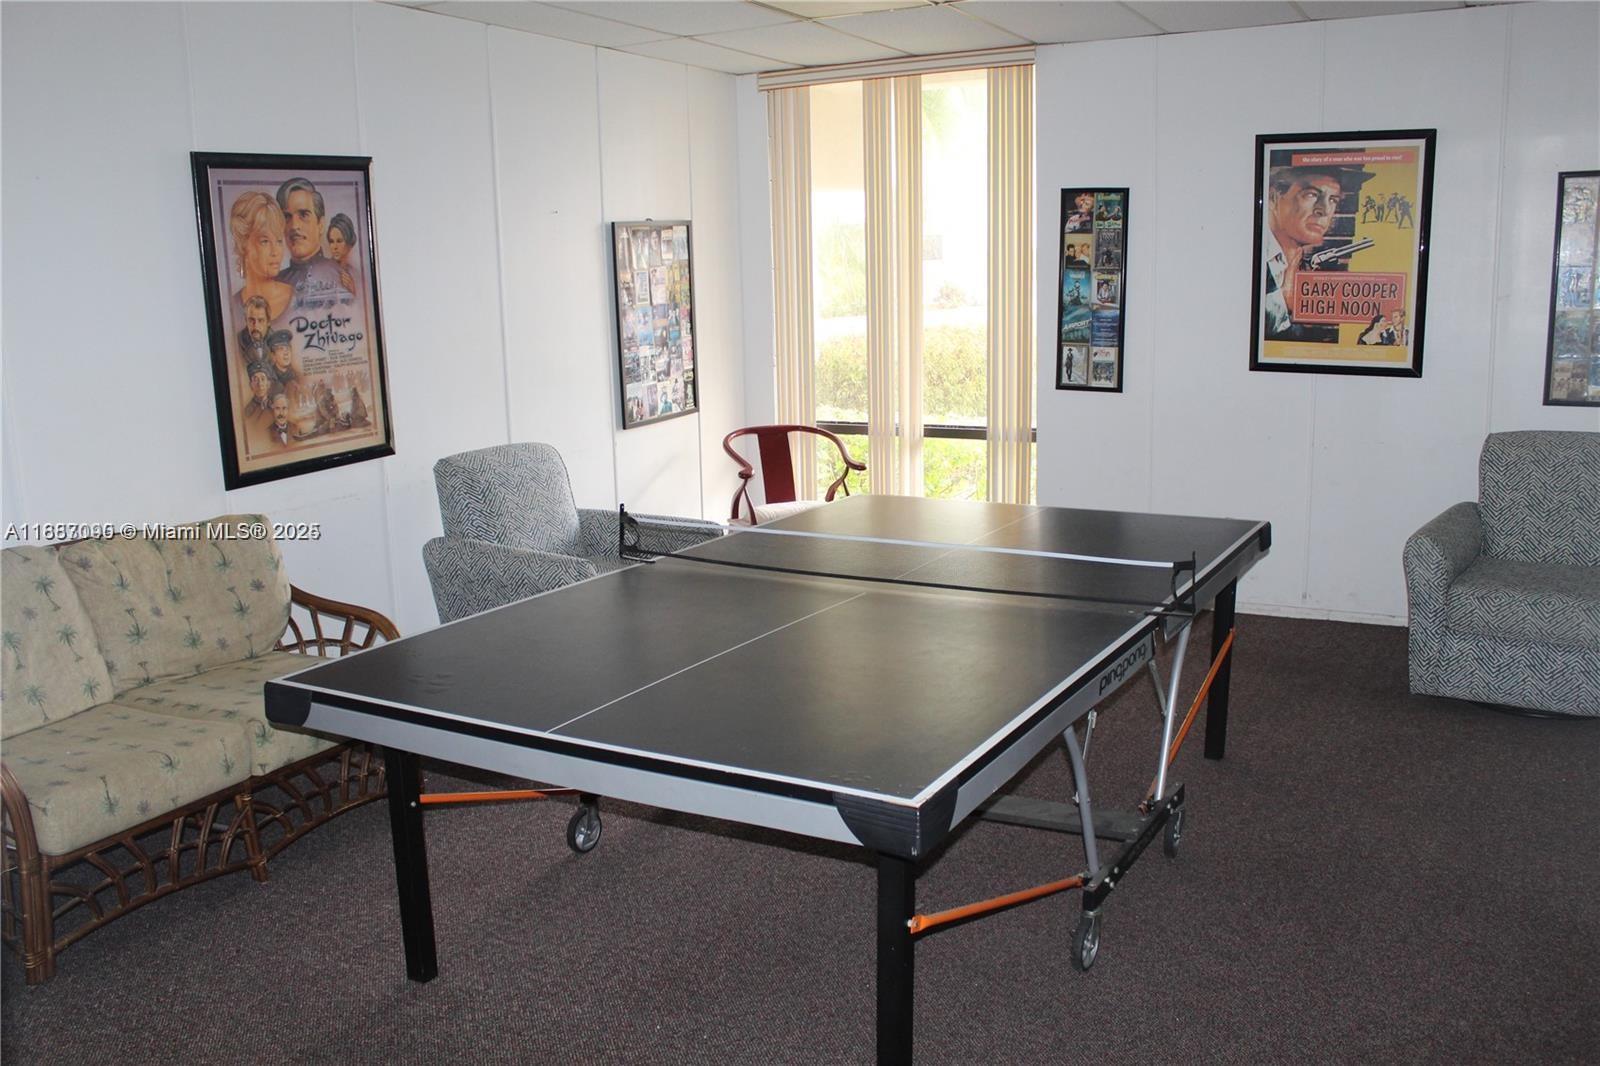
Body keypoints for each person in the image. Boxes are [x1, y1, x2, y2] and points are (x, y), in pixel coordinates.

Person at [1261, 163, 1372, 340]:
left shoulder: (1298, 264)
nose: (1325, 210)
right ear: (1274, 197)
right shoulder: (1254, 261)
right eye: (1311, 194)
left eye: (1333, 200)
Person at [275, 177, 346, 313]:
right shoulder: (275, 284)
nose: (294, 226)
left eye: (303, 215)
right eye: (287, 217)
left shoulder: (343, 277)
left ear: (320, 224)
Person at [228, 191, 292, 328]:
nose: (275, 252)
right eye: (265, 241)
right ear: (244, 244)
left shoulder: (299, 300)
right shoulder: (231, 308)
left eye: (279, 241)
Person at [324, 212, 360, 295]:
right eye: (331, 241)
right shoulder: (324, 270)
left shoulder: (355, 274)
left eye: (339, 241)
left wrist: (353, 290)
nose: (334, 247)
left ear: (348, 243)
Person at [236, 295, 271, 370]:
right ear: (246, 320)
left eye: (260, 320)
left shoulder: (275, 341)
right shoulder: (237, 342)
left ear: (268, 322)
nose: (256, 326)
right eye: (251, 320)